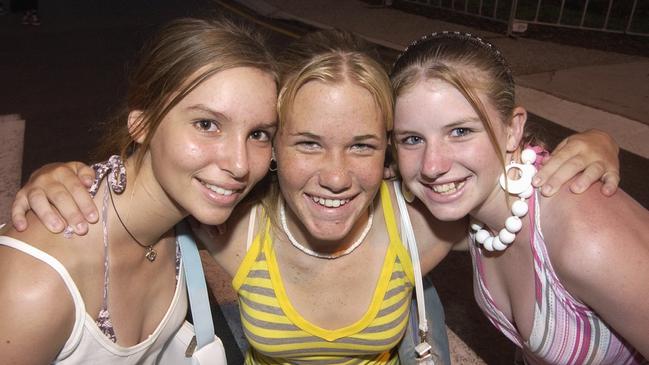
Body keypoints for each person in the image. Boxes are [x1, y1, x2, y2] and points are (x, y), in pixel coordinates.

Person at [8, 29, 621, 364]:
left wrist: (590, 143)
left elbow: (497, 189)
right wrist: (63, 176)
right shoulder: (231, 224)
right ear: (277, 152)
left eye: (361, 145)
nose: (334, 176)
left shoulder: (422, 226)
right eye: (305, 143)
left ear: (388, 153)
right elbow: (139, 195)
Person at [0, 17, 279, 363]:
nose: (240, 164)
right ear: (142, 124)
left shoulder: (187, 212)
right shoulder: (37, 284)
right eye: (207, 124)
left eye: (259, 134)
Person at [390, 31, 648, 363]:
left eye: (460, 131)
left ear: (513, 129)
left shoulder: (585, 237)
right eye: (412, 139)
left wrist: (602, 139)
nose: (432, 165)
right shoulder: (475, 210)